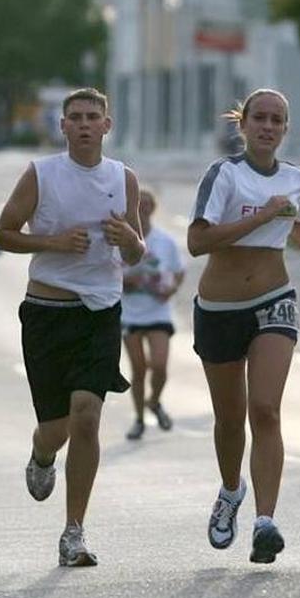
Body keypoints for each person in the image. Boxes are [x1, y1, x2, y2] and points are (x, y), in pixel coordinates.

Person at [0, 87, 144, 567]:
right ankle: (41, 454)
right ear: (62, 126)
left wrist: (129, 238)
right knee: (55, 426)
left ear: (106, 125)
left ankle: (73, 531)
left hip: (99, 312)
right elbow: (3, 233)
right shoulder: (42, 174)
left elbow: (137, 253)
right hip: (46, 311)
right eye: (75, 117)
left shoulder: (124, 179)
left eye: (92, 117)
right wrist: (53, 242)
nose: (83, 124)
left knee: (87, 415)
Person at [187, 88, 300, 565]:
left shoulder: (296, 177)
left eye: (277, 120)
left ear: (286, 129)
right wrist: (262, 217)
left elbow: (296, 217)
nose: (268, 126)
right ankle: (231, 490)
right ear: (243, 125)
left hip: (274, 298)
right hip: (220, 309)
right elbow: (197, 241)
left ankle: (265, 522)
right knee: (230, 420)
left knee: (265, 410)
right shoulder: (224, 175)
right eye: (260, 118)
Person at [121, 187, 185, 440]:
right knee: (138, 369)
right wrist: (127, 282)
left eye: (147, 204)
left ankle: (154, 402)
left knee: (159, 366)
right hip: (129, 314)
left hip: (158, 312)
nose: (143, 208)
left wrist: (171, 289)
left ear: (153, 209)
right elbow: (108, 271)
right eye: (139, 204)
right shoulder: (122, 239)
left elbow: (179, 271)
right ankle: (138, 419)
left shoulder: (165, 242)